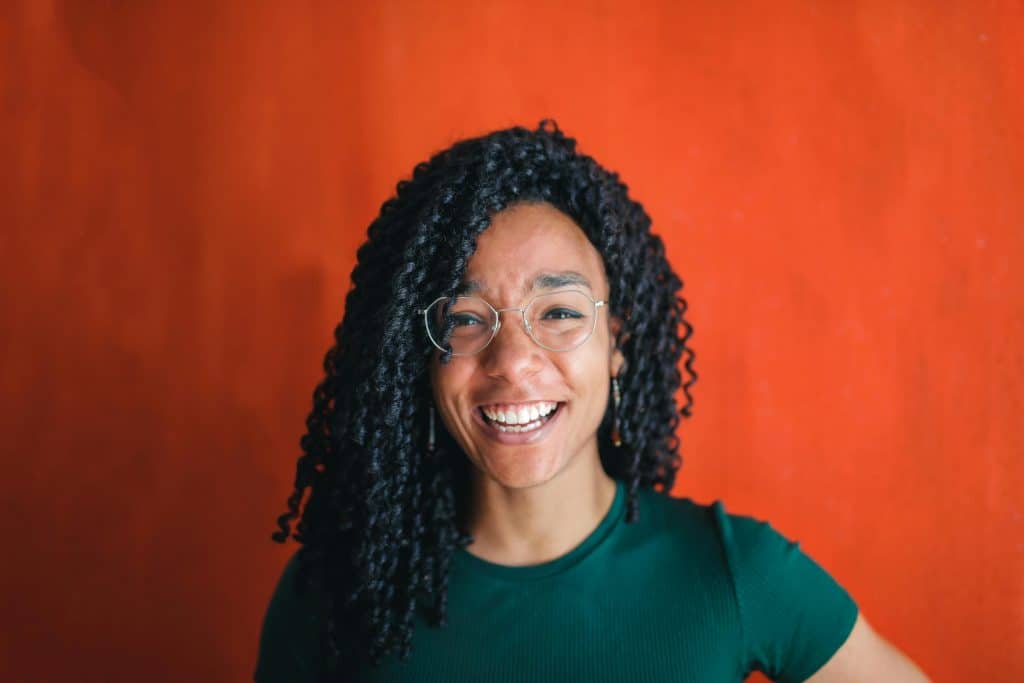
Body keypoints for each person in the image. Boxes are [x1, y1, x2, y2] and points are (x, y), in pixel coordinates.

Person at [255, 121, 930, 682]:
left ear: (617, 343)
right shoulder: (329, 596)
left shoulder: (733, 572)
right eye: (465, 318)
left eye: (557, 311)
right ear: (421, 360)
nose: (513, 359)